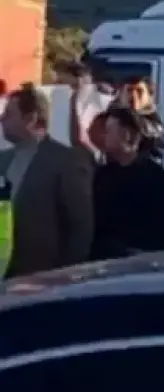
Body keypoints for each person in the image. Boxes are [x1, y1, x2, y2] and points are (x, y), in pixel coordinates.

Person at [0, 82, 94, 278]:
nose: (2, 119)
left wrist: (65, 274)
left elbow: (80, 226)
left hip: (41, 275)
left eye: (9, 114)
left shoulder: (65, 161)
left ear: (31, 118)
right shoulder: (4, 159)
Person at [91, 107, 164, 259]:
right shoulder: (103, 175)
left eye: (109, 130)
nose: (104, 136)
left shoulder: (159, 180)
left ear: (127, 135)